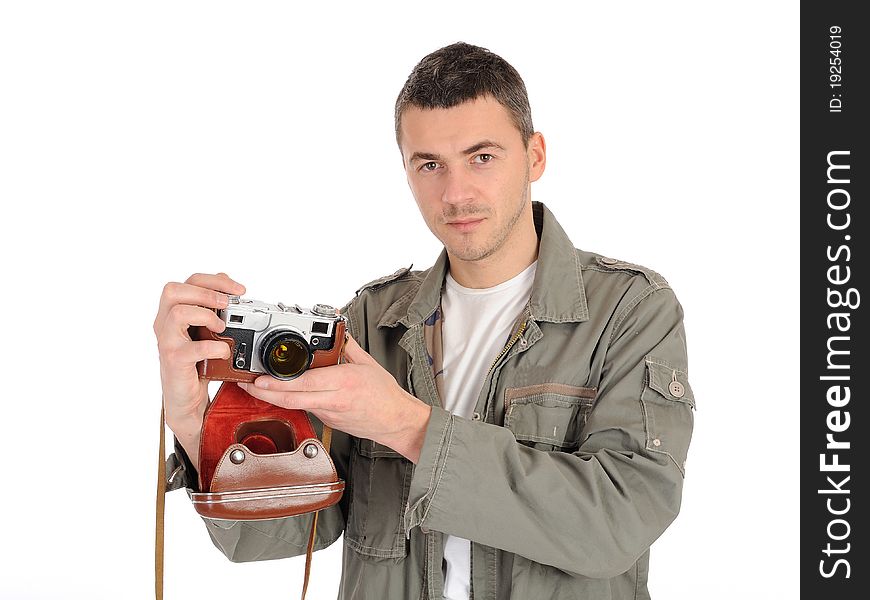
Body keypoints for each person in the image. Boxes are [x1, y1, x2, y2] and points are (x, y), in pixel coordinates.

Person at [155, 41, 695, 600]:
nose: (456, 193)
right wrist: (197, 425)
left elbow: (619, 522)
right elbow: (284, 530)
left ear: (535, 156)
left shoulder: (629, 310)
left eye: (482, 157)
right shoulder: (369, 321)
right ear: (406, 172)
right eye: (430, 164)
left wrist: (405, 425)